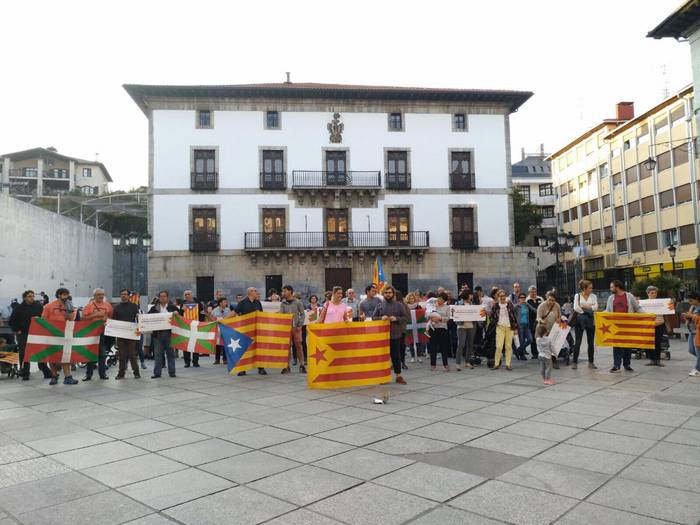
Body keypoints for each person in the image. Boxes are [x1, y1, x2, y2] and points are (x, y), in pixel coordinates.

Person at [9, 290, 51, 381]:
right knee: (24, 354)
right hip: (23, 334)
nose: (32, 298)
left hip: (36, 333)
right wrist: (17, 330)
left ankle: (46, 372)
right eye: (29, 296)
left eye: (32, 296)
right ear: (24, 298)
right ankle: (25, 373)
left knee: (40, 352)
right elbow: (12, 321)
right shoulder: (18, 308)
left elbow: (44, 318)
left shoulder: (38, 306)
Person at [42, 288, 79, 385]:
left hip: (65, 334)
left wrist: (69, 310)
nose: (66, 296)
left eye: (67, 294)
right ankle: (54, 376)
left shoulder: (70, 305)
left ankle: (68, 377)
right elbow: (43, 320)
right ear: (59, 295)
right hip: (52, 335)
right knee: (52, 356)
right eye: (64, 294)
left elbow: (71, 319)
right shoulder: (49, 306)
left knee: (65, 355)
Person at [373, 285, 407, 384]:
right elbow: (374, 318)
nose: (388, 294)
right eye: (386, 293)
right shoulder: (379, 305)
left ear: (393, 294)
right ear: (383, 294)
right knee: (383, 357)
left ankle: (398, 376)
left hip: (395, 334)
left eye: (390, 293)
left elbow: (405, 317)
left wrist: (396, 319)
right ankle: (383, 377)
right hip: (382, 336)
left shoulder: (399, 305)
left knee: (396, 356)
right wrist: (381, 318)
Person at [606, 280, 641, 373]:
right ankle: (616, 365)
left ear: (617, 287)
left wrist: (648, 315)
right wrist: (598, 315)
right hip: (615, 325)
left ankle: (627, 364)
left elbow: (638, 308)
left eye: (612, 287)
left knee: (627, 345)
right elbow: (607, 310)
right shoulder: (611, 298)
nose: (610, 289)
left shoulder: (629, 296)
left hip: (628, 325)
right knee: (616, 345)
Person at [82, 288, 113, 381]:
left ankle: (103, 374)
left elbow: (111, 317)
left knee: (103, 354)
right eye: (99, 294)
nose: (101, 296)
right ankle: (88, 375)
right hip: (91, 333)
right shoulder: (89, 306)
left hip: (103, 333)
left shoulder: (108, 305)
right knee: (90, 354)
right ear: (94, 296)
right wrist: (95, 315)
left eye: (102, 294)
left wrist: (106, 320)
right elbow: (83, 318)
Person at [235, 286, 267, 376]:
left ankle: (261, 368)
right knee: (245, 349)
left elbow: (261, 314)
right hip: (246, 330)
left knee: (258, 348)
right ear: (250, 293)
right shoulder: (242, 303)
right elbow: (235, 312)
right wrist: (224, 320)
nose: (257, 292)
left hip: (257, 330)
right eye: (255, 291)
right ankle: (243, 369)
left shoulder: (258, 303)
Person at [148, 290, 179, 378]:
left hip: (169, 334)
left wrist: (178, 313)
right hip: (158, 334)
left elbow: (181, 316)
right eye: (161, 296)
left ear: (167, 297)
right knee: (158, 355)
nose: (162, 298)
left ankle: (172, 372)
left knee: (170, 354)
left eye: (164, 296)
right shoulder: (154, 308)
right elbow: (148, 317)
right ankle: (157, 373)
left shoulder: (172, 307)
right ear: (159, 298)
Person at [112, 288, 141, 379]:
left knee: (132, 354)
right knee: (121, 355)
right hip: (120, 334)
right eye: (121, 294)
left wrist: (138, 316)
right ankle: (121, 373)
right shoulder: (117, 307)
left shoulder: (134, 306)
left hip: (131, 334)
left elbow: (139, 317)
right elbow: (114, 320)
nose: (123, 296)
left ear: (129, 296)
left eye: (125, 294)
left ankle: (136, 372)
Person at [572, 280, 598, 370]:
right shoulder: (577, 296)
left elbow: (596, 307)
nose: (592, 289)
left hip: (591, 320)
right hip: (580, 320)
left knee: (591, 342)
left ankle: (591, 362)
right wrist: (588, 309)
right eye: (590, 288)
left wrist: (584, 307)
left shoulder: (593, 296)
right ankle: (574, 362)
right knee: (578, 342)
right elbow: (576, 307)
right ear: (584, 288)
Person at [280, 285, 305, 374]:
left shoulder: (298, 302)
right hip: (287, 328)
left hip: (296, 327)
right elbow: (281, 315)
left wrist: (300, 324)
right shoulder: (283, 303)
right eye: (283, 291)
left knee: (298, 345)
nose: (283, 293)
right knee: (287, 347)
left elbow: (302, 314)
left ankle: (301, 365)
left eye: (285, 291)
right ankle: (286, 366)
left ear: (290, 291)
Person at [490, 289, 518, 370]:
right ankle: (496, 363)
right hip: (500, 327)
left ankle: (508, 364)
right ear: (498, 297)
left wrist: (515, 328)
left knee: (508, 346)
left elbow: (514, 316)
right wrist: (495, 321)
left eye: (504, 296)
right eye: (500, 296)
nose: (502, 297)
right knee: (499, 346)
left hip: (509, 328)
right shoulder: (496, 305)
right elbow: (491, 316)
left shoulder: (509, 305)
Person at [426, 292, 451, 371]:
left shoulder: (447, 307)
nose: (439, 300)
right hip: (433, 329)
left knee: (444, 347)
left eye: (441, 299)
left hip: (443, 328)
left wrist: (440, 319)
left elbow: (448, 318)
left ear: (444, 300)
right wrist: (431, 318)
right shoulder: (433, 306)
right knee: (433, 347)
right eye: (438, 298)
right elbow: (427, 315)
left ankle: (445, 364)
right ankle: (433, 365)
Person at [181, 290, 206, 368]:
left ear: (192, 295)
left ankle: (195, 361)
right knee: (186, 345)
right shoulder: (183, 303)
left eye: (188, 294)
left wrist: (200, 323)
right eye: (185, 294)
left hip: (196, 326)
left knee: (195, 344)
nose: (187, 296)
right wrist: (182, 310)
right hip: (186, 327)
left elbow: (202, 314)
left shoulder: (198, 302)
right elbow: (180, 314)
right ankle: (187, 362)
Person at [645, 286, 667, 367]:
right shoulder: (644, 303)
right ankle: (651, 360)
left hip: (659, 325)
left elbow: (669, 310)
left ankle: (658, 360)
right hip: (648, 326)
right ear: (648, 293)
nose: (654, 294)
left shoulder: (661, 302)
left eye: (655, 293)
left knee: (658, 343)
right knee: (649, 343)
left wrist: (670, 304)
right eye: (652, 293)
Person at [454, 290, 476, 371]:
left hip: (471, 326)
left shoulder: (472, 304)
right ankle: (458, 363)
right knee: (461, 344)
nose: (472, 296)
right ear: (467, 295)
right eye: (470, 295)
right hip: (461, 326)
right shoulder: (458, 304)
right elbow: (455, 314)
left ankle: (467, 362)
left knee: (470, 345)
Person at [210, 297, 233, 365]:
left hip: (225, 328)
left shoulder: (228, 310)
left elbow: (231, 317)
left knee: (225, 344)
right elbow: (211, 317)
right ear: (220, 303)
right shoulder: (215, 310)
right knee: (218, 344)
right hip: (218, 328)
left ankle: (225, 359)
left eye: (226, 302)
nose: (226, 303)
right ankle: (217, 359)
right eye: (224, 302)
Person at [683, 291, 700, 377]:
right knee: (691, 350)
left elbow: (696, 318)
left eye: (691, 300)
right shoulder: (693, 307)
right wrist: (687, 317)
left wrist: (691, 316)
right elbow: (689, 317)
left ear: (697, 299)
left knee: (699, 351)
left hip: (698, 332)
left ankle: (698, 369)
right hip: (691, 331)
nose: (690, 302)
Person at [404, 292, 424, 363]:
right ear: (408, 299)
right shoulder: (405, 307)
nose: (411, 299)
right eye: (410, 298)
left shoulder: (418, 306)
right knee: (411, 342)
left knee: (419, 342)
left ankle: (419, 356)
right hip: (409, 326)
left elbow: (422, 315)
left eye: (412, 298)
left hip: (417, 326)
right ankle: (412, 357)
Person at [514, 293, 534, 361]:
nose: (522, 299)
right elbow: (512, 315)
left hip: (527, 325)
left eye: (524, 297)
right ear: (519, 298)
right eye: (521, 297)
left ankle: (518, 350)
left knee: (530, 339)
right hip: (520, 326)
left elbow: (534, 310)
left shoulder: (527, 305)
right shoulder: (516, 306)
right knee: (521, 341)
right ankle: (522, 355)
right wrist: (515, 325)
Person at [526, 286, 543, 358]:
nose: (534, 293)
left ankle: (541, 351)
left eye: (535, 291)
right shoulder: (527, 300)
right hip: (531, 321)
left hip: (540, 320)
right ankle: (535, 353)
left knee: (541, 336)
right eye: (532, 292)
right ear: (529, 292)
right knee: (533, 337)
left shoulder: (540, 299)